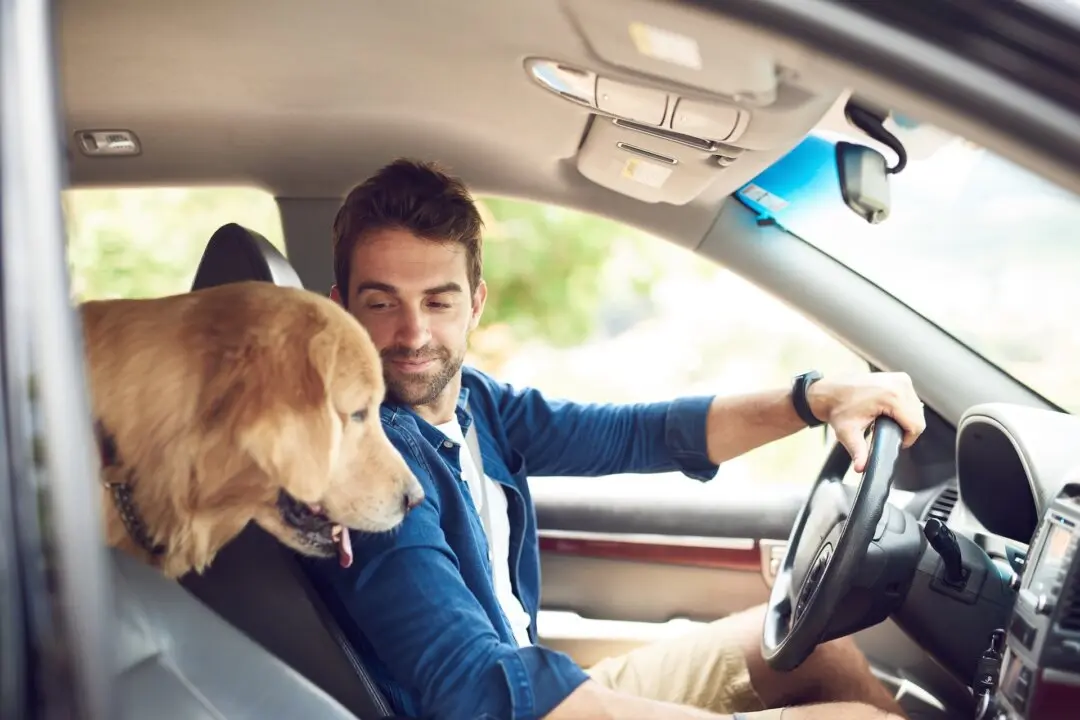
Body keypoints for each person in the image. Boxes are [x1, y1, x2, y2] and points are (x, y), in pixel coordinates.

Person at [303, 158, 924, 720]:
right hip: (513, 708)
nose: (413, 334)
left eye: (438, 302)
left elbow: (640, 433)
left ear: (475, 304)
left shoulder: (476, 405)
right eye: (382, 304)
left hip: (539, 686)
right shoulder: (366, 467)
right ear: (341, 310)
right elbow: (475, 685)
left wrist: (812, 399)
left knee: (823, 652)